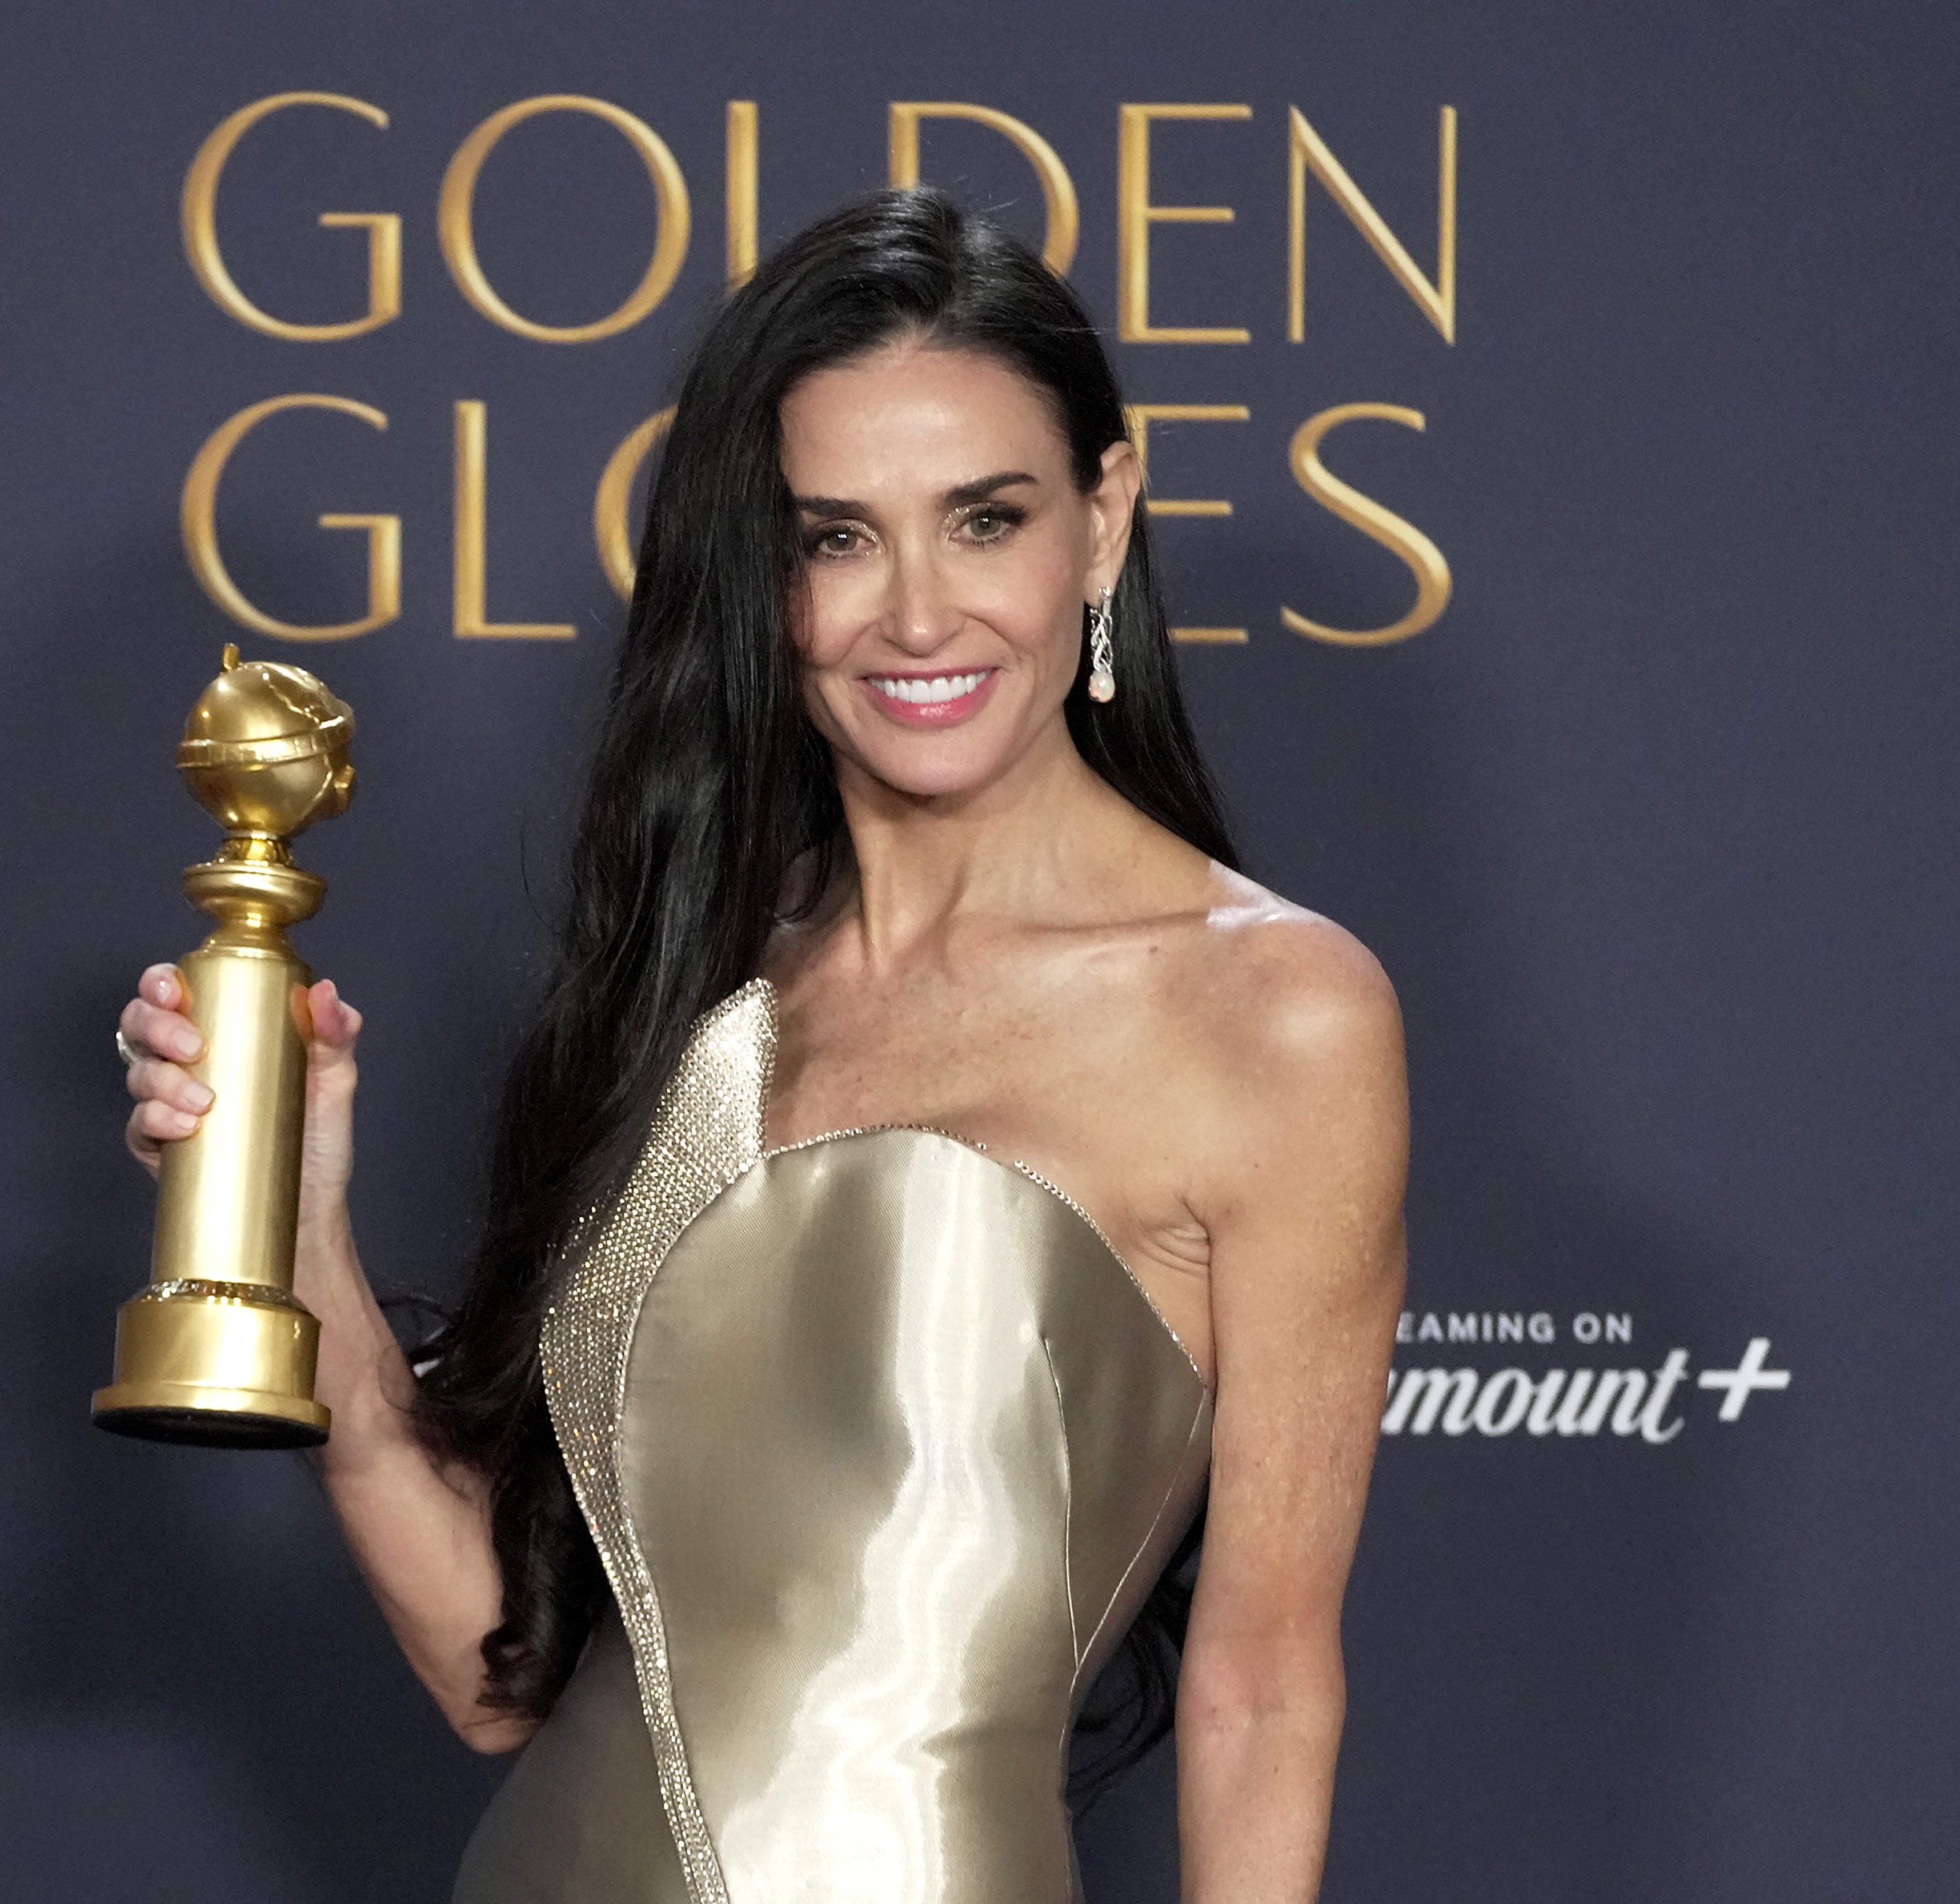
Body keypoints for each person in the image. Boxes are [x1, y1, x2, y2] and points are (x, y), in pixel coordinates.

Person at [115, 189, 1407, 1903]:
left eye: (985, 519)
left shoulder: (1276, 1014)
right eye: (837, 538)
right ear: (765, 574)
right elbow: (505, 1678)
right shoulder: (702, 974)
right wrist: (297, 1231)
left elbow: (1260, 1696)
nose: (919, 615)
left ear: (1102, 524)